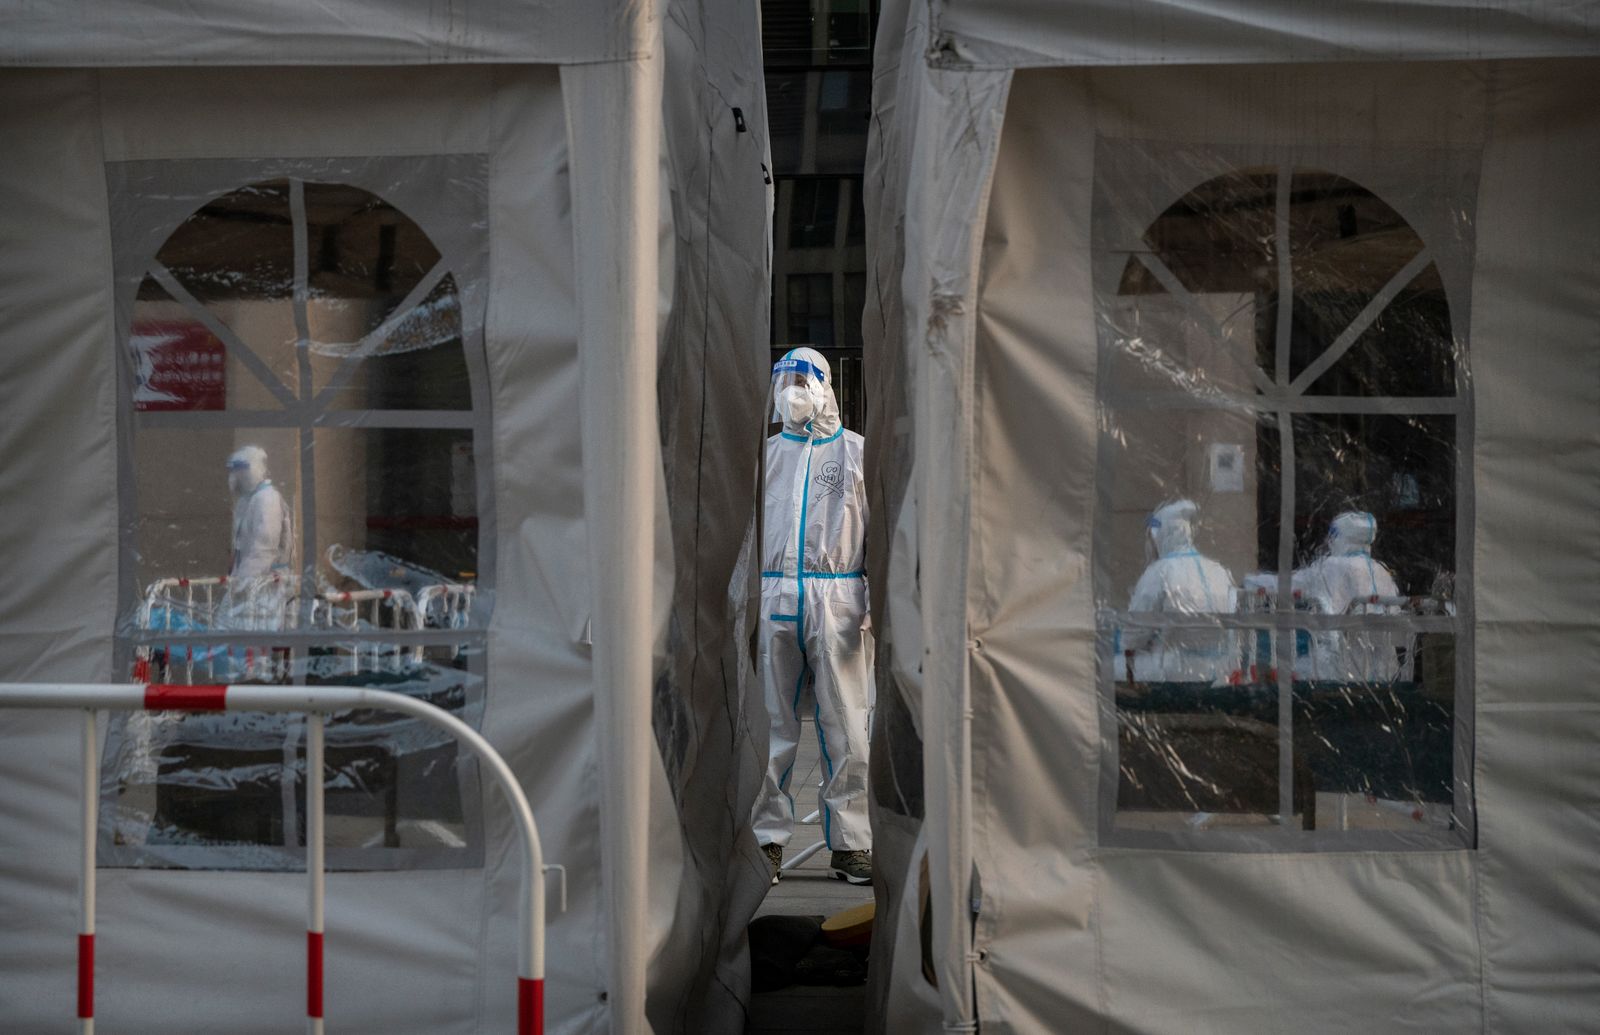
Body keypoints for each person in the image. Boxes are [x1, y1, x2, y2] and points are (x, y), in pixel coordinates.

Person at [752, 348, 873, 886]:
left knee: (847, 724)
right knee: (769, 726)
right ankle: (765, 841)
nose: (790, 390)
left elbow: (879, 533)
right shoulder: (769, 455)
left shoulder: (857, 456)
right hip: (775, 594)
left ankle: (851, 844)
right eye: (783, 379)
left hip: (839, 598)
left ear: (826, 387)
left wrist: (876, 604)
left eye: (802, 380)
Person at [1122, 499, 1237, 683]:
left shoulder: (1159, 572)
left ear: (1162, 535)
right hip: (1221, 671)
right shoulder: (1218, 570)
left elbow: (1134, 634)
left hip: (1172, 671)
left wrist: (1127, 655)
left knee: (1111, 663)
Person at [1294, 511, 1403, 681]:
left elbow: (1295, 585)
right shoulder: (1381, 570)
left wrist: (1252, 581)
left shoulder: (1333, 566)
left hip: (1341, 664)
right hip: (1383, 669)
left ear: (1339, 537)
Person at [224, 445, 293, 631]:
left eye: (240, 470)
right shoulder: (246, 501)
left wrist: (241, 583)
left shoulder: (267, 499)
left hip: (263, 584)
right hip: (247, 582)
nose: (235, 476)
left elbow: (264, 549)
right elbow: (239, 545)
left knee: (254, 642)